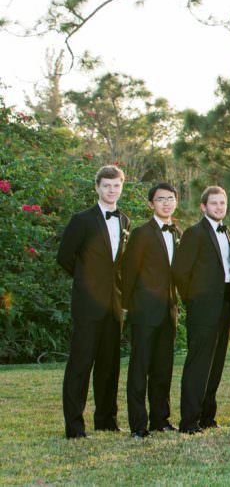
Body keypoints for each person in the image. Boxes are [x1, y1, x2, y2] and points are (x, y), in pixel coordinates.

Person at [57, 165, 131, 439]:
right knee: (80, 365)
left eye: (116, 186)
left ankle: (106, 420)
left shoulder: (125, 221)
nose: (112, 190)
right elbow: (65, 257)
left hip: (114, 304)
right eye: (107, 186)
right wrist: (86, 281)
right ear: (97, 188)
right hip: (87, 304)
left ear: (121, 188)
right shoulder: (82, 220)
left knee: (109, 365)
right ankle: (75, 426)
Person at [172, 185, 230, 434]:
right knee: (198, 366)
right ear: (203, 207)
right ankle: (189, 421)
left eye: (222, 203)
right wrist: (193, 300)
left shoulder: (226, 231)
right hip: (203, 308)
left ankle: (208, 417)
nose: (219, 207)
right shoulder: (194, 233)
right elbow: (180, 272)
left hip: (225, 307)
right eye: (214, 203)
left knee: (216, 365)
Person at [122, 182, 181, 439]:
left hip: (169, 311)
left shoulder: (178, 232)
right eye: (160, 199)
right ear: (151, 203)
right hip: (145, 311)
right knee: (140, 368)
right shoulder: (141, 233)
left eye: (170, 198)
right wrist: (127, 306)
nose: (166, 203)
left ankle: (161, 419)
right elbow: (129, 272)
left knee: (163, 368)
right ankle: (138, 424)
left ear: (176, 202)